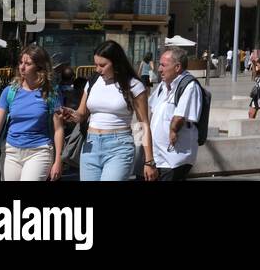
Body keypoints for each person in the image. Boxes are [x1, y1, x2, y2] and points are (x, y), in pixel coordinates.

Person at [62, 40, 153, 182]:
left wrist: (149, 161)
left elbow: (143, 124)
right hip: (90, 146)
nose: (98, 69)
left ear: (116, 63)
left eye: (102, 65)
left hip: (119, 147)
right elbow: (81, 114)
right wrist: (70, 114)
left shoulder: (134, 85)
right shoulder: (92, 81)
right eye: (96, 64)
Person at [0, 45, 64, 181]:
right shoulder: (10, 92)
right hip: (11, 151)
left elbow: (58, 129)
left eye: (28, 63)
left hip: (39, 151)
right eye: (20, 62)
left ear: (39, 67)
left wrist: (58, 160)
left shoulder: (51, 93)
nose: (22, 67)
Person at [147, 46, 203, 181]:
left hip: (174, 158)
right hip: (158, 157)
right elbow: (153, 110)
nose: (159, 69)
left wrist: (172, 130)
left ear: (177, 67)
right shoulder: (162, 85)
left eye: (163, 65)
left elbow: (179, 117)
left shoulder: (189, 86)